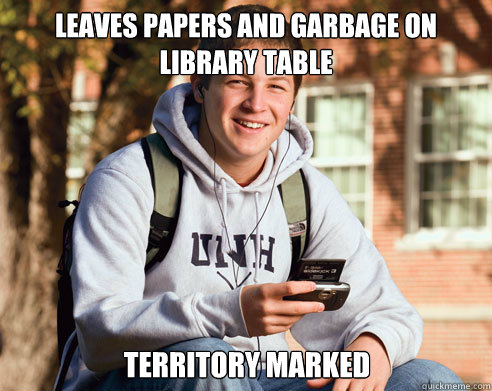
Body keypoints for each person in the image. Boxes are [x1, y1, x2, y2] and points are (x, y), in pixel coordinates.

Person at [55, 4, 463, 391]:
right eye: (238, 81)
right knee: (206, 361)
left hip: (262, 379)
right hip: (136, 377)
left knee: (427, 378)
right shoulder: (131, 177)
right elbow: (99, 332)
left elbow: (388, 309)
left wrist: (374, 345)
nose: (257, 104)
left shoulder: (303, 191)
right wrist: (232, 312)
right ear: (200, 85)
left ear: (291, 100)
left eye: (276, 86)